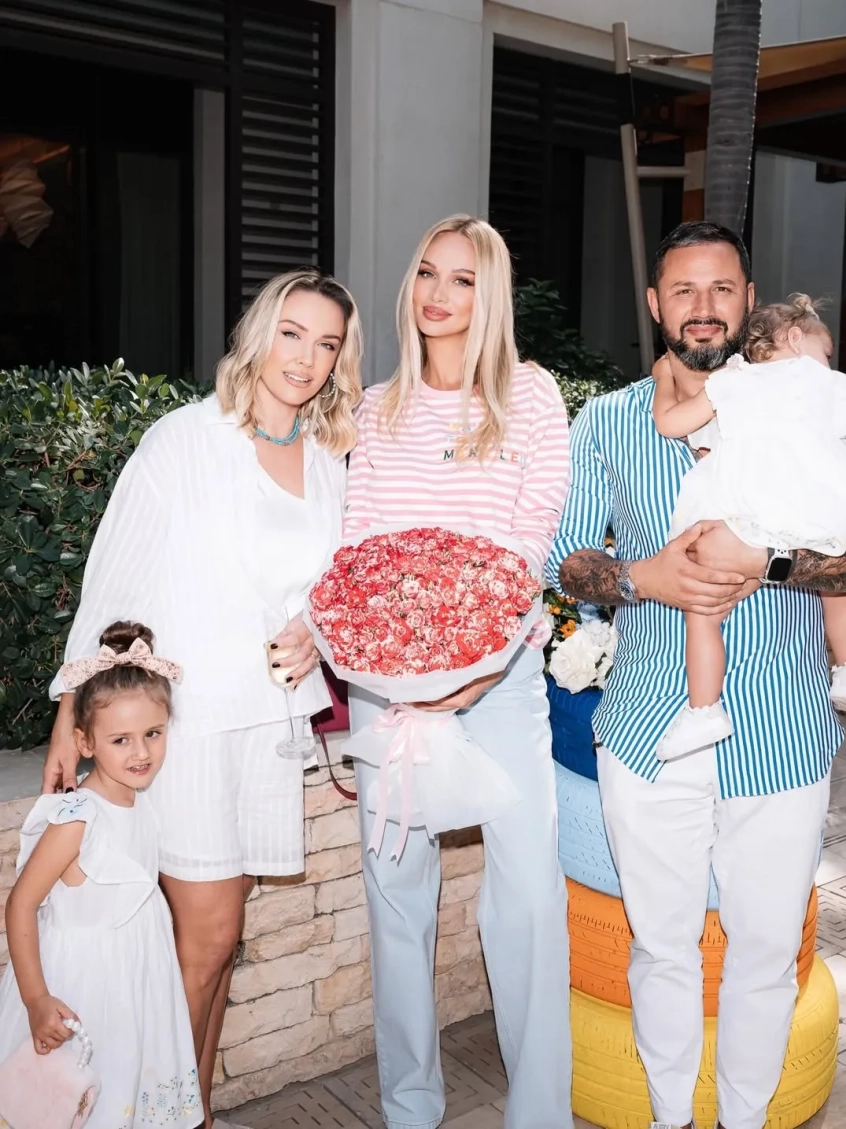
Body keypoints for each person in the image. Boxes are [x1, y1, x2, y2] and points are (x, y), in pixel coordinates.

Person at [40, 269, 363, 1129]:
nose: (306, 357)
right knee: (209, 936)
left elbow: (329, 589)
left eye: (326, 343)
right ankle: (150, 1116)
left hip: (269, 726)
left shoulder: (328, 458)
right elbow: (112, 579)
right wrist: (70, 713)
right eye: (291, 332)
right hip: (189, 725)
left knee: (218, 942)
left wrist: (317, 633)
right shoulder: (184, 439)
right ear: (259, 332)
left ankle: (197, 1112)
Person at [547, 220, 846, 1129]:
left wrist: (773, 564)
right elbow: (568, 564)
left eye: (722, 288)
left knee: (765, 956)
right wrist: (645, 578)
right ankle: (672, 1117)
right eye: (684, 290)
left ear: (749, 300)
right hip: (649, 730)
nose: (703, 307)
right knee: (661, 948)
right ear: (655, 304)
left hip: (784, 733)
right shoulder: (607, 422)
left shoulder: (808, 401)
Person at [344, 214, 573, 1129]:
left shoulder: (531, 397)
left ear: (491, 296)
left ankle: (539, 1113)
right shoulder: (377, 408)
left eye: (463, 279)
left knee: (528, 894)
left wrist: (475, 673)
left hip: (500, 679)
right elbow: (358, 551)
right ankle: (410, 1107)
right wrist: (397, 676)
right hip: (388, 688)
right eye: (427, 273)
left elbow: (529, 545)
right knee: (396, 897)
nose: (438, 294)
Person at [0, 621, 199, 1129]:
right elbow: (21, 904)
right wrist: (36, 1000)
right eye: (121, 740)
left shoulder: (141, 804)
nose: (141, 753)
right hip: (84, 989)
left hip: (136, 984)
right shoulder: (78, 818)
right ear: (84, 742)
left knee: (125, 1093)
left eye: (153, 734)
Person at [650, 294, 846, 760]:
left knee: (704, 612)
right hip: (814, 512)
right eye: (825, 353)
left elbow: (670, 424)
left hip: (743, 519)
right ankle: (845, 668)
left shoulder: (732, 380)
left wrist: (663, 378)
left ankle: (704, 710)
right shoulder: (825, 383)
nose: (827, 363)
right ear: (796, 338)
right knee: (837, 585)